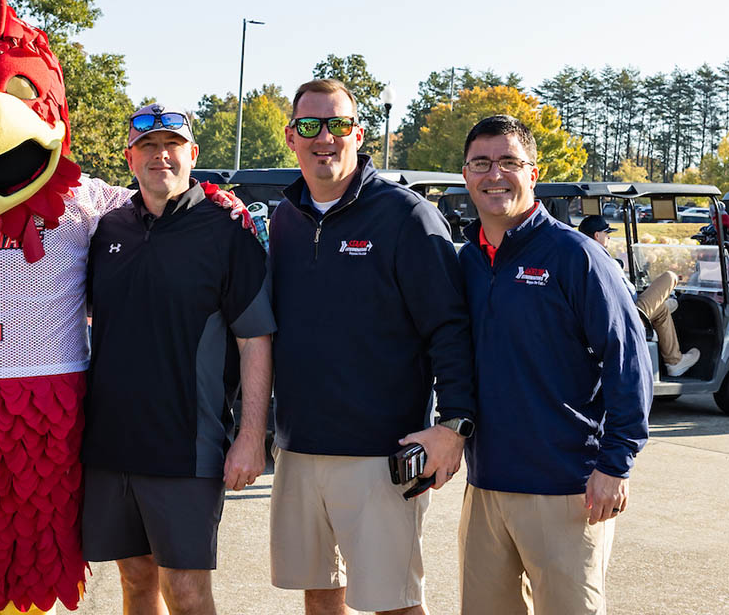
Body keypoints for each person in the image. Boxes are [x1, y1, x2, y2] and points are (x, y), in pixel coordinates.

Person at [268, 78, 477, 615]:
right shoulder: (283, 218)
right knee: (319, 595)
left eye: (337, 124)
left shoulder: (404, 215)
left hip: (381, 453)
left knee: (394, 604)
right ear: (291, 136)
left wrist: (454, 425)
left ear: (358, 134)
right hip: (298, 447)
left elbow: (449, 328)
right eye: (310, 126)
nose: (324, 138)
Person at [82, 104, 274, 615]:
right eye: (147, 146)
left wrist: (252, 437)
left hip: (187, 447)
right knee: (136, 581)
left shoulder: (227, 228)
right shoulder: (106, 230)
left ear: (192, 154)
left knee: (186, 592)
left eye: (171, 145)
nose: (159, 155)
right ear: (129, 158)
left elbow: (255, 338)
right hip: (111, 443)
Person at [457, 115, 652, 615]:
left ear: (533, 173)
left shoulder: (576, 256)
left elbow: (627, 362)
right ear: (465, 175)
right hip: (486, 487)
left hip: (570, 488)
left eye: (508, 163)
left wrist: (615, 464)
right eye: (481, 163)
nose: (494, 175)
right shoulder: (466, 263)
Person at [578, 215, 700, 377]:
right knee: (670, 277)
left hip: (617, 312)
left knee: (661, 310)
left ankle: (674, 361)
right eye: (606, 234)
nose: (609, 237)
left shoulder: (583, 258)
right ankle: (662, 307)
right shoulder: (602, 259)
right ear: (597, 236)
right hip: (627, 316)